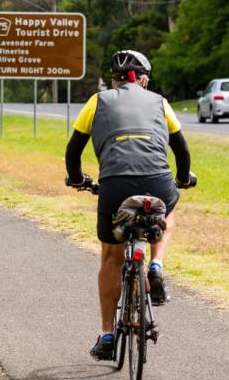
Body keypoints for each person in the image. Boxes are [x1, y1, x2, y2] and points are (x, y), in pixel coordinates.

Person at [64, 50, 196, 361]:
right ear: (144, 78)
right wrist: (182, 178)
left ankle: (108, 335)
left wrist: (77, 178)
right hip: (158, 180)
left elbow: (73, 150)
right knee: (168, 212)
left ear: (115, 79)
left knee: (111, 257)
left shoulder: (98, 101)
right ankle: (155, 266)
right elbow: (181, 147)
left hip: (115, 183)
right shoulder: (159, 101)